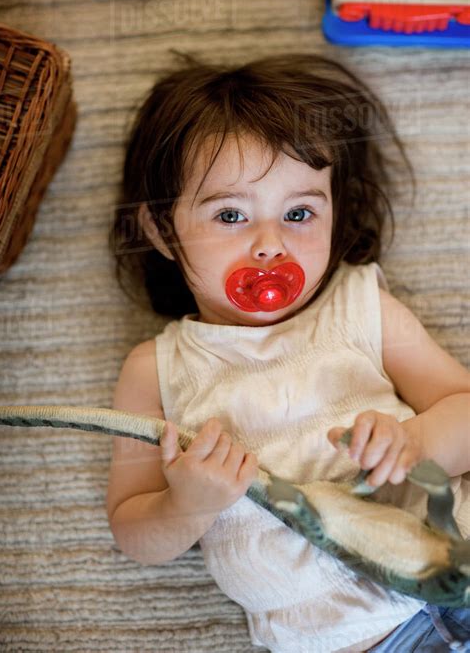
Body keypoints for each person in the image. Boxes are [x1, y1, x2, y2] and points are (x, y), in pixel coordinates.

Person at [106, 52, 470, 652]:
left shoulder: (362, 309)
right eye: (230, 214)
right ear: (161, 232)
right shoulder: (155, 369)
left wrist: (419, 441)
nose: (270, 245)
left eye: (298, 213)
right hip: (349, 640)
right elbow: (131, 528)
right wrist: (186, 504)